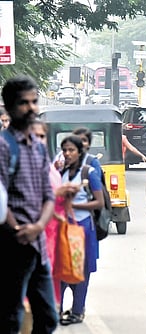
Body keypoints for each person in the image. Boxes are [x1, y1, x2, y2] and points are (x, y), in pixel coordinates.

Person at [0, 75, 57, 333]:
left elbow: (48, 193)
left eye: (34, 102)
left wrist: (39, 226)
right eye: (24, 103)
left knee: (47, 318)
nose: (32, 108)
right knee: (11, 317)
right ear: (10, 107)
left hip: (37, 242)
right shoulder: (3, 146)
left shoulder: (37, 146)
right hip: (12, 243)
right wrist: (19, 229)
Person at [31, 120, 80, 306]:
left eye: (42, 136)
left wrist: (66, 196)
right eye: (33, 136)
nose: (38, 141)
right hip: (34, 233)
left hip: (54, 233)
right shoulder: (19, 165)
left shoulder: (50, 167)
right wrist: (56, 193)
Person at [58, 135, 104, 326]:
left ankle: (78, 310)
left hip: (82, 228)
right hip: (61, 227)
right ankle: (56, 309)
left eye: (71, 150)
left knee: (80, 270)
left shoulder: (89, 173)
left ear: (80, 152)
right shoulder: (59, 172)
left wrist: (76, 206)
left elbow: (99, 202)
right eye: (65, 150)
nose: (67, 154)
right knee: (59, 270)